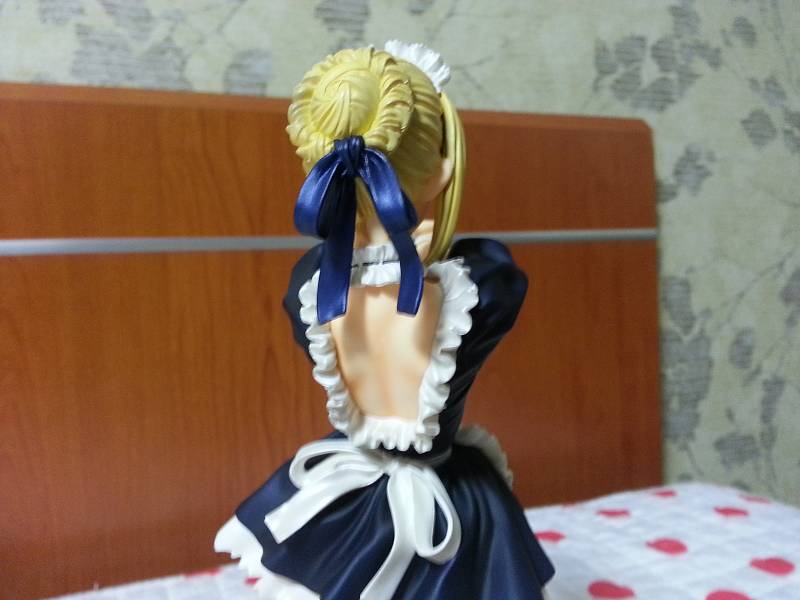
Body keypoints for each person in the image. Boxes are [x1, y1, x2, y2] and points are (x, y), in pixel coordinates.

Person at [215, 41, 554, 600]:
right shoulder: (481, 284)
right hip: (452, 506)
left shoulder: (310, 287)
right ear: (441, 170)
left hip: (351, 497)